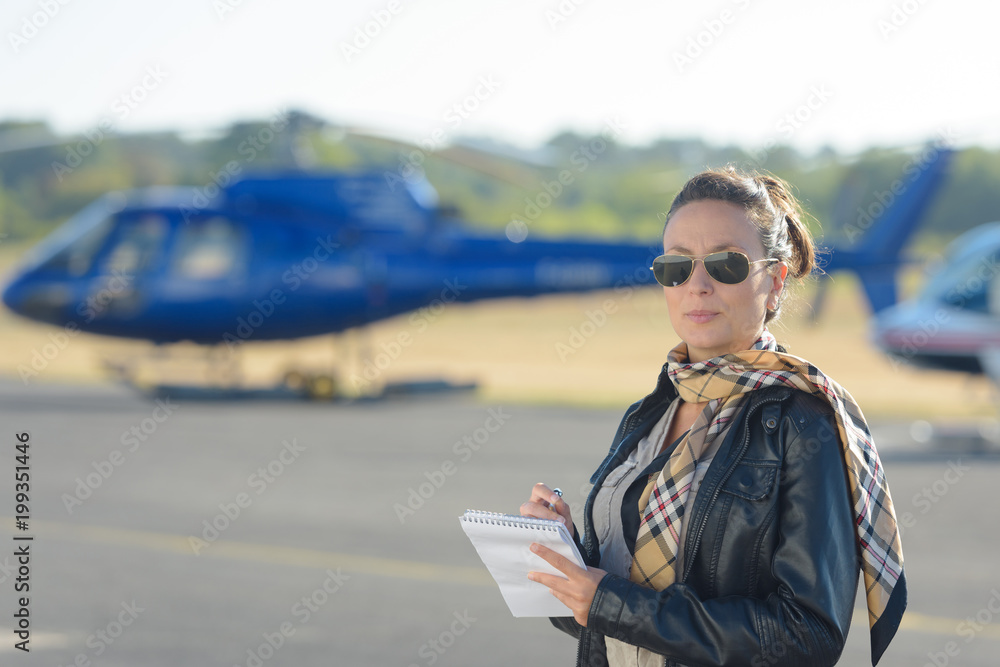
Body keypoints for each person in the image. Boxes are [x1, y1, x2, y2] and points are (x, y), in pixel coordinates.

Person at [519, 166, 906, 667]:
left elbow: (807, 637)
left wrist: (611, 603)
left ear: (776, 281)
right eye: (676, 267)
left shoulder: (802, 422)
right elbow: (605, 620)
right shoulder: (652, 411)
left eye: (726, 264)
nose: (696, 285)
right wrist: (567, 559)